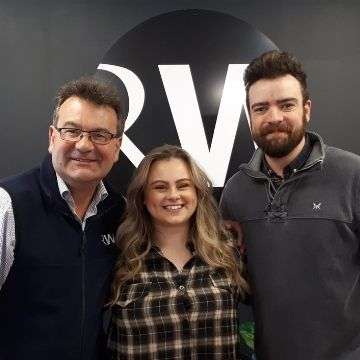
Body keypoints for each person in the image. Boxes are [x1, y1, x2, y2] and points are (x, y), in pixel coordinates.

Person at [220, 50, 360, 360]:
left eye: (286, 105)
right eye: (261, 108)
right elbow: (237, 283)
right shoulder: (235, 192)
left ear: (306, 109)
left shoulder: (353, 176)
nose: (273, 118)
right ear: (250, 115)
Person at [0, 76, 126, 360]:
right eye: (72, 131)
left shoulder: (119, 212)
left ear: (116, 147)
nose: (84, 145)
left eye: (100, 135)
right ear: (52, 137)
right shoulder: (8, 204)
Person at [107, 144, 249, 359]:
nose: (173, 195)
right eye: (160, 187)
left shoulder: (228, 251)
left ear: (197, 192)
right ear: (143, 197)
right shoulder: (119, 256)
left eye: (183, 185)